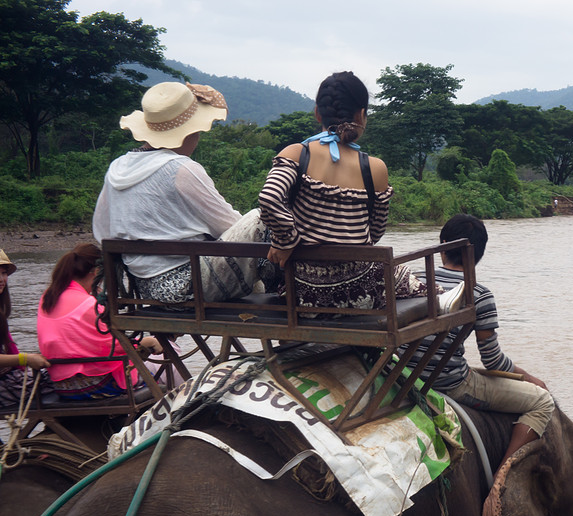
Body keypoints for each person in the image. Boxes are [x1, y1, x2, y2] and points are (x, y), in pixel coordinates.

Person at [93, 81, 274, 305]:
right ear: (187, 133)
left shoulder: (117, 167)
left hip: (144, 290)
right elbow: (229, 224)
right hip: (188, 289)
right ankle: (285, 291)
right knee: (260, 218)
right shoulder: (180, 168)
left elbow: (102, 232)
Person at [259, 71, 426, 311]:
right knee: (410, 278)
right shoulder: (375, 168)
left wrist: (287, 240)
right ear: (361, 115)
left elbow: (269, 198)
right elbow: (375, 233)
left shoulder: (296, 154)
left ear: (317, 112)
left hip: (302, 294)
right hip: (361, 295)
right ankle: (443, 300)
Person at [404, 214, 555, 470]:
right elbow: (492, 359)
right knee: (542, 401)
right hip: (449, 383)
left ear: (442, 245)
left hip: (403, 373)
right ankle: (504, 478)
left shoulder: (410, 279)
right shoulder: (479, 293)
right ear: (478, 254)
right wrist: (528, 376)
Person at [37, 243, 162, 400]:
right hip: (92, 384)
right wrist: (145, 342)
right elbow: (114, 345)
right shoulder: (88, 304)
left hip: (60, 383)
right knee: (157, 381)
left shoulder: (48, 297)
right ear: (96, 272)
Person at [0, 250, 50, 406]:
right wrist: (26, 359)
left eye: (3, 273)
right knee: (57, 387)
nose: (1, 279)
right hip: (4, 385)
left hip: (9, 377)